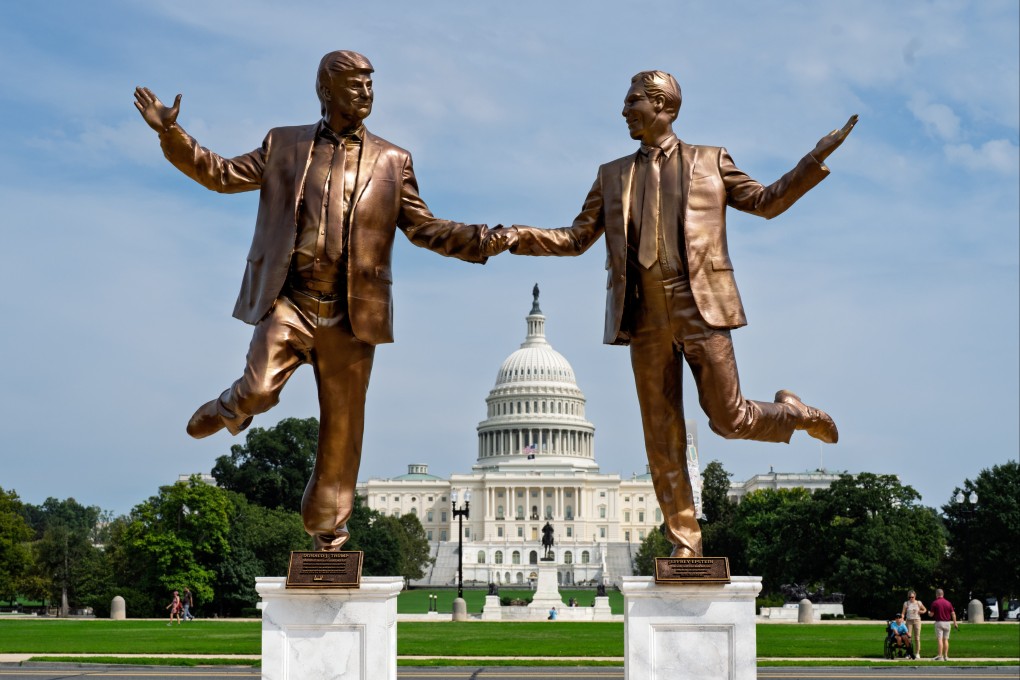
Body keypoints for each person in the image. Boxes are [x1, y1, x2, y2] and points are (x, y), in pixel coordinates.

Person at [483, 70, 856, 556]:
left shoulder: (710, 160)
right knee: (662, 436)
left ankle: (793, 413)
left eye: (632, 101)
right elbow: (576, 239)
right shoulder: (611, 174)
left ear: (663, 106)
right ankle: (685, 541)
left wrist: (813, 160)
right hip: (643, 314)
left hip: (699, 304)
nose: (623, 111)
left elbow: (766, 203)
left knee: (728, 418)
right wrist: (516, 236)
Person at [135, 51, 495, 551]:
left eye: (371, 84)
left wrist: (482, 239)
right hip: (292, 301)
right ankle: (230, 406)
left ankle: (328, 530)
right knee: (259, 390)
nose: (366, 94)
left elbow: (424, 227)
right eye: (355, 85)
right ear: (326, 90)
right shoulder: (284, 144)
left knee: (342, 434)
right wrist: (171, 134)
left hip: (351, 315)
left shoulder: (393, 160)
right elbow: (219, 174)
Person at [928, 588, 959, 661]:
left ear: (936, 594)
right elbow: (953, 613)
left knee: (939, 639)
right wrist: (955, 623)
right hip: (947, 623)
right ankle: (946, 656)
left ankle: (940, 655)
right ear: (943, 594)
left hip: (939, 622)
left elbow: (931, 614)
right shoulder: (948, 603)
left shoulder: (935, 603)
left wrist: (929, 613)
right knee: (946, 640)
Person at [901, 589, 927, 659]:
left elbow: (925, 610)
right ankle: (909, 653)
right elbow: (903, 613)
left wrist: (920, 612)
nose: (911, 599)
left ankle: (917, 653)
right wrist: (902, 618)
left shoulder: (918, 603)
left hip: (917, 621)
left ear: (915, 596)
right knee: (908, 638)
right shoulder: (906, 603)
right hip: (909, 621)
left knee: (917, 638)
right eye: (910, 597)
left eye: (912, 597)